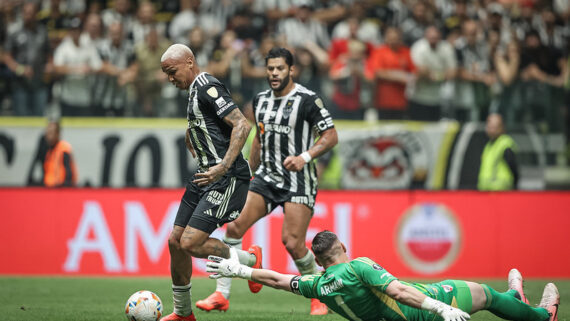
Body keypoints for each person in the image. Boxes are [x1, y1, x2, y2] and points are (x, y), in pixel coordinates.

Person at [197, 47, 338, 315]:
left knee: (293, 243)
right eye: (270, 68)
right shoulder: (260, 100)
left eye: (280, 68)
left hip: (298, 180)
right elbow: (260, 139)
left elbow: (330, 135)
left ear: (291, 70)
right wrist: (247, 173)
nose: (274, 73)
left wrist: (305, 157)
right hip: (266, 178)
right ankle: (221, 294)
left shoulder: (307, 100)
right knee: (234, 227)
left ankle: (319, 295)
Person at [206, 230, 561, 321]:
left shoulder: (318, 284)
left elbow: (279, 280)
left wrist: (238, 269)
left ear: (318, 259)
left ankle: (515, 298)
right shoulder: (359, 265)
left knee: (493, 298)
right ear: (342, 246)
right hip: (427, 306)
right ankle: (540, 314)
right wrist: (440, 308)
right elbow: (400, 290)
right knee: (484, 294)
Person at [159, 43, 255, 321]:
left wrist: (223, 165)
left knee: (190, 242)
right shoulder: (192, 94)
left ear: (190, 62)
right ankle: (183, 313)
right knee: (175, 242)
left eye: (172, 71)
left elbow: (242, 124)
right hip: (204, 176)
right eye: (166, 73)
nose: (170, 78)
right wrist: (195, 140)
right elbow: (209, 126)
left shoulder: (206, 84)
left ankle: (248, 260)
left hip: (227, 177)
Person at [478, 113, 519, 191]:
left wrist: (515, 186)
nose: (492, 130)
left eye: (495, 127)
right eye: (489, 127)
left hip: (502, 191)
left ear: (502, 127)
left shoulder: (505, 144)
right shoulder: (489, 145)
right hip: (485, 191)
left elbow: (513, 167)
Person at [43, 120, 77, 187]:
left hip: (60, 189)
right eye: (47, 133)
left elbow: (69, 172)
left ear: (57, 134)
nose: (48, 136)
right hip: (49, 188)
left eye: (51, 133)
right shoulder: (49, 150)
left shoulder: (64, 148)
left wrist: (65, 187)